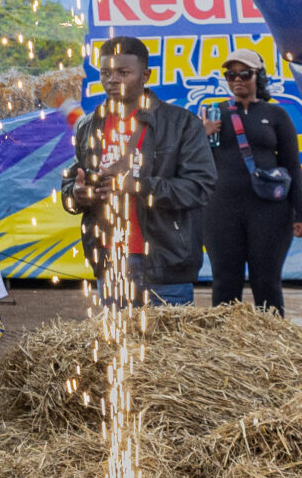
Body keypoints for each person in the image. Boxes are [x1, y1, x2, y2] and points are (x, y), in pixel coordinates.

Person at [61, 36, 216, 309]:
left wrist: (138, 186)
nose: (112, 80)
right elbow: (71, 183)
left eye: (123, 72)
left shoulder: (181, 124)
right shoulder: (89, 125)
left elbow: (200, 188)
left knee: (168, 352)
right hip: (109, 263)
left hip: (165, 268)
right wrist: (77, 193)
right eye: (105, 73)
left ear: (145, 75)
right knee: (117, 350)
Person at [201, 56, 302, 314]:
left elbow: (292, 166)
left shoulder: (276, 114)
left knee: (267, 282)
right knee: (225, 282)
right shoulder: (213, 113)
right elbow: (194, 162)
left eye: (244, 73)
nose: (237, 79)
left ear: (258, 77)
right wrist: (201, 135)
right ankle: (223, 346)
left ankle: (273, 347)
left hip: (270, 211)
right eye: (231, 75)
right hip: (221, 211)